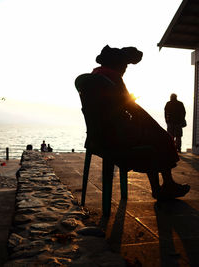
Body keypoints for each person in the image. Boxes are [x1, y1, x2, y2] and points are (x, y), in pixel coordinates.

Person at [77, 45, 190, 200]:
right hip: (115, 138)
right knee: (159, 138)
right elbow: (130, 106)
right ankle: (165, 186)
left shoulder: (93, 77)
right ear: (116, 64)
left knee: (153, 135)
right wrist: (151, 124)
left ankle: (163, 187)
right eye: (124, 66)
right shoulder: (111, 79)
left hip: (97, 137)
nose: (125, 70)